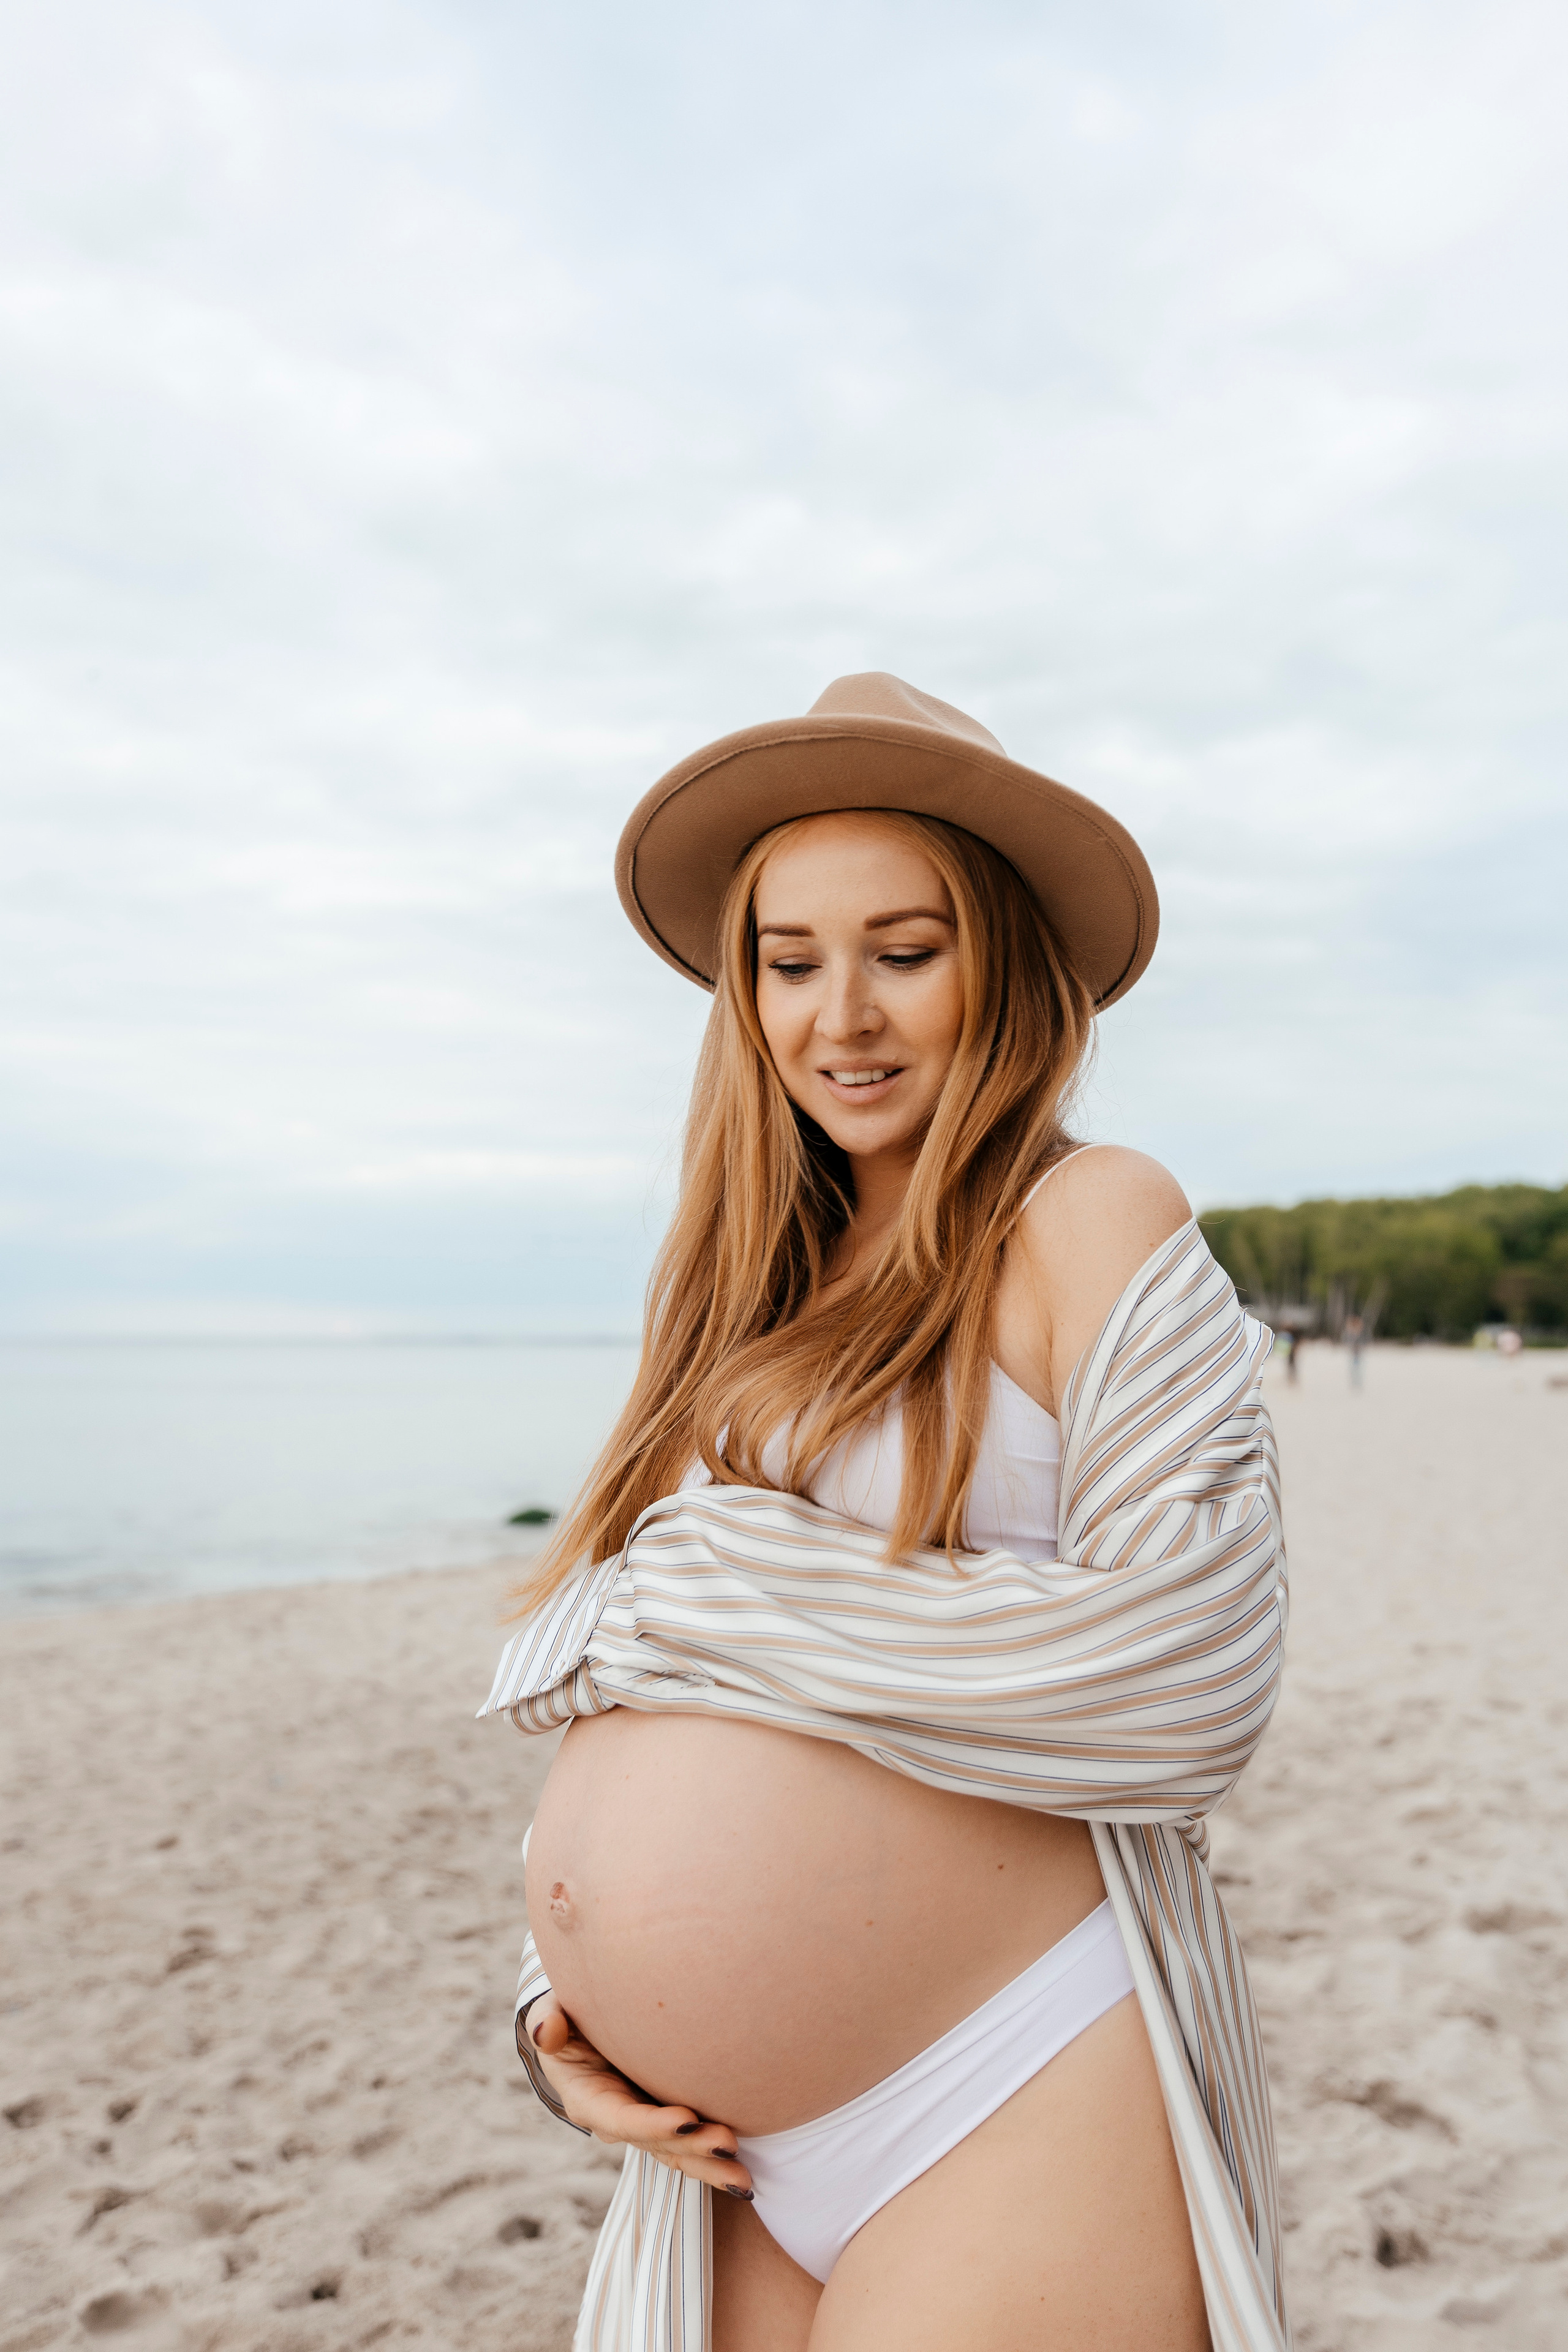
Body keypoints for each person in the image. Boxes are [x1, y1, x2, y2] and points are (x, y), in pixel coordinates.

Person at [481, 674, 1289, 2352]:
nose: (839, 1015)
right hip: (723, 2157)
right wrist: (568, 2007)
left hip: (1009, 2079)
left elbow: (1191, 1675)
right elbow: (671, 1699)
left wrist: (723, 1574)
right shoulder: (741, 1299)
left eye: (904, 952)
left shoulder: (1090, 1215)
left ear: (1000, 961)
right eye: (788, 961)